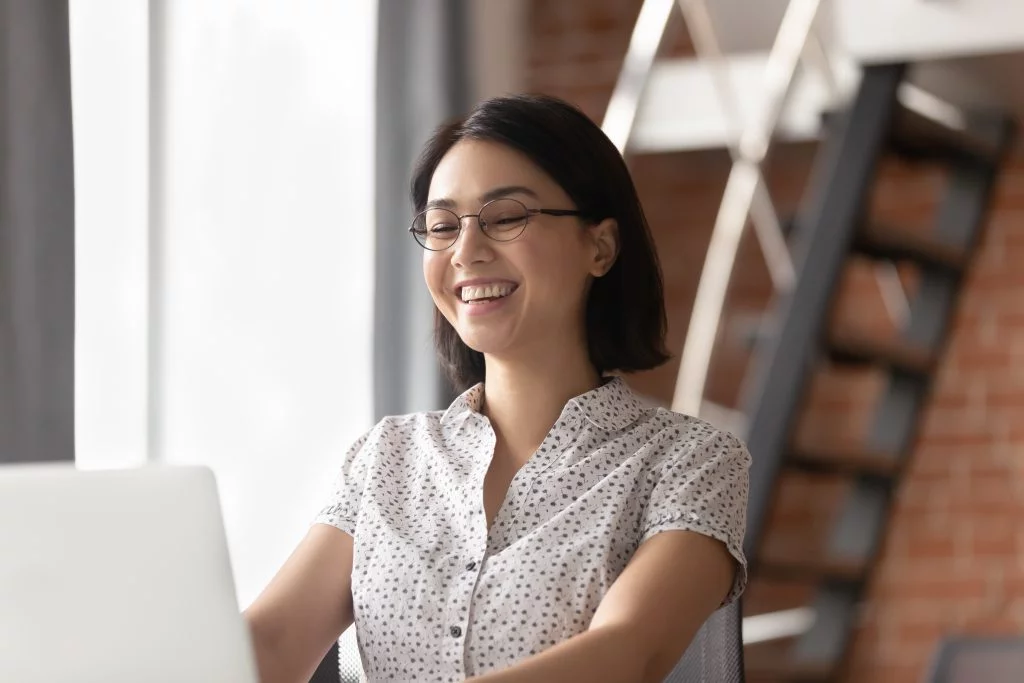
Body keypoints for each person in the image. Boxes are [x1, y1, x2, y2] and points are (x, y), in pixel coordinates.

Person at [243, 94, 751, 683]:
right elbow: (274, 640)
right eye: (441, 226)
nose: (466, 251)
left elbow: (626, 653)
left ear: (600, 246)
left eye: (506, 217)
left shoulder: (691, 462)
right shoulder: (387, 457)